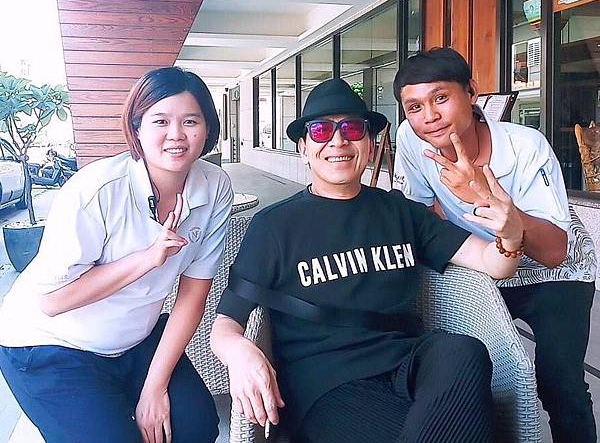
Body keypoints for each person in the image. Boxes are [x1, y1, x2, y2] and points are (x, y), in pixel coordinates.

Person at [211, 78, 525, 443]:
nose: (338, 141)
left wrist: (511, 234)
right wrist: (240, 353)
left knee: (463, 349)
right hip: (326, 382)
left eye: (352, 128)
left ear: (371, 144)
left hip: (407, 360)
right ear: (303, 148)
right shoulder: (274, 226)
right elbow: (225, 324)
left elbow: (494, 263)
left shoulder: (401, 211)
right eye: (321, 130)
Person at [0, 67, 233, 443]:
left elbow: (193, 295)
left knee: (196, 426)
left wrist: (154, 389)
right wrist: (147, 258)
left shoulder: (214, 185)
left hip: (134, 339)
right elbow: (52, 302)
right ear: (137, 128)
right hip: (49, 344)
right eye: (160, 121)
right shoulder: (98, 190)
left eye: (190, 121)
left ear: (208, 128)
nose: (176, 134)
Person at [392, 47, 597, 443]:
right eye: (414, 107)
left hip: (556, 271)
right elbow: (421, 211)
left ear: (471, 92)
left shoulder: (525, 146)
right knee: (469, 370)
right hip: (483, 265)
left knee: (560, 382)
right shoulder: (411, 140)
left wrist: (482, 197)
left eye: (440, 98)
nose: (429, 116)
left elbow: (554, 250)